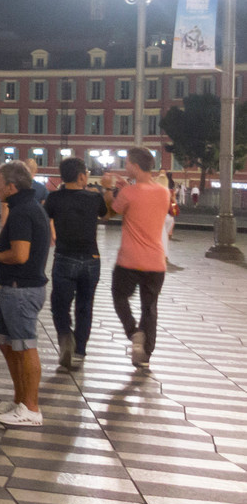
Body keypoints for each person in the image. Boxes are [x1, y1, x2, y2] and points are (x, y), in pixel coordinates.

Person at [0, 161, 50, 427]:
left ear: (11, 186)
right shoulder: (26, 207)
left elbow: (20, 255)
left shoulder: (21, 212)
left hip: (21, 289)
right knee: (8, 343)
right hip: (18, 287)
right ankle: (21, 400)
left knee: (25, 346)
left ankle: (31, 408)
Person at [102, 146, 172, 371]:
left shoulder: (129, 193)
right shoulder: (164, 192)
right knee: (150, 308)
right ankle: (145, 355)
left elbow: (111, 211)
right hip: (155, 261)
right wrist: (126, 188)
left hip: (129, 260)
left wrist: (109, 189)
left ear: (135, 165)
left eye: (128, 163)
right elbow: (143, 202)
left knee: (119, 296)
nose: (125, 166)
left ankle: (134, 333)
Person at [44, 156, 103, 372]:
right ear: (81, 176)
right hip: (91, 259)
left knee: (59, 304)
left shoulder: (54, 199)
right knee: (85, 306)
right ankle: (80, 350)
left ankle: (65, 337)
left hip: (65, 256)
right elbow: (107, 214)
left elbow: (44, 219)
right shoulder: (94, 198)